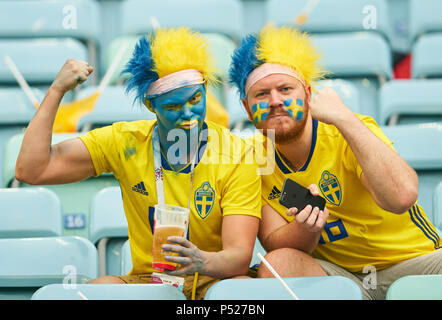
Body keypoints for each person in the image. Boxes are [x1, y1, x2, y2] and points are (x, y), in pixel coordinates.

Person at [15, 27, 261, 300]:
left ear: (205, 91)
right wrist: (56, 90)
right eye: (172, 107)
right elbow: (31, 170)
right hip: (151, 284)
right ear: (150, 105)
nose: (188, 114)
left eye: (195, 99)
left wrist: (200, 261)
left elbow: (238, 257)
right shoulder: (126, 142)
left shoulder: (237, 154)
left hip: (217, 281)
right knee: (92, 292)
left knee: (243, 292)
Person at [229, 25, 442, 300]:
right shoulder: (252, 159)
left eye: (285, 89)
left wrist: (344, 118)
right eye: (261, 95)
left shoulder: (349, 130)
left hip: (414, 264)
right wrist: (304, 230)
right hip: (343, 279)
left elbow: (402, 196)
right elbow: (272, 241)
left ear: (307, 93)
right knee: (276, 265)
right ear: (246, 108)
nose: (275, 102)